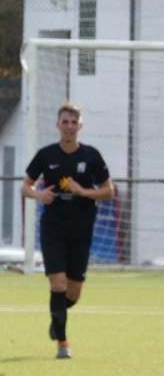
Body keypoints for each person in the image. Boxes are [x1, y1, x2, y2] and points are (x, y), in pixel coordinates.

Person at [21, 103, 114, 359]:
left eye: (74, 122)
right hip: (53, 227)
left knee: (73, 292)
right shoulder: (46, 155)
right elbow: (25, 187)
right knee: (57, 283)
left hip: (81, 228)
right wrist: (39, 195)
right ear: (58, 125)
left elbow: (108, 191)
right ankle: (63, 343)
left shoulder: (91, 156)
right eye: (65, 122)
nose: (69, 127)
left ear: (80, 126)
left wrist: (83, 191)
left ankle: (57, 317)